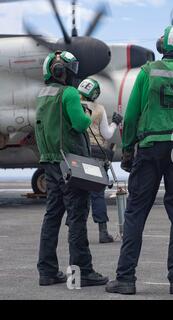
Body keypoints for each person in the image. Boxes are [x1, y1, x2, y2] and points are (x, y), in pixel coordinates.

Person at [106, 25, 173, 295]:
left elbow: (130, 116)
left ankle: (126, 279)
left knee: (136, 213)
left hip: (151, 145)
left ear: (162, 46)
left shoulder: (147, 72)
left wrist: (128, 149)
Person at [35, 51, 108, 287]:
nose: (72, 73)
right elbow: (80, 124)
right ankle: (82, 273)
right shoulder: (68, 94)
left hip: (50, 162)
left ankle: (47, 271)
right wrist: (87, 115)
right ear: (59, 71)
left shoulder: (42, 95)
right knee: (77, 217)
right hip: (71, 164)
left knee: (52, 217)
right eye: (69, 69)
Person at [77, 78, 123, 244]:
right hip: (96, 155)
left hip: (78, 155)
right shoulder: (99, 109)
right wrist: (115, 122)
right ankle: (103, 232)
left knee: (77, 195)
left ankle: (76, 232)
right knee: (97, 195)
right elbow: (108, 135)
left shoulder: (73, 106)